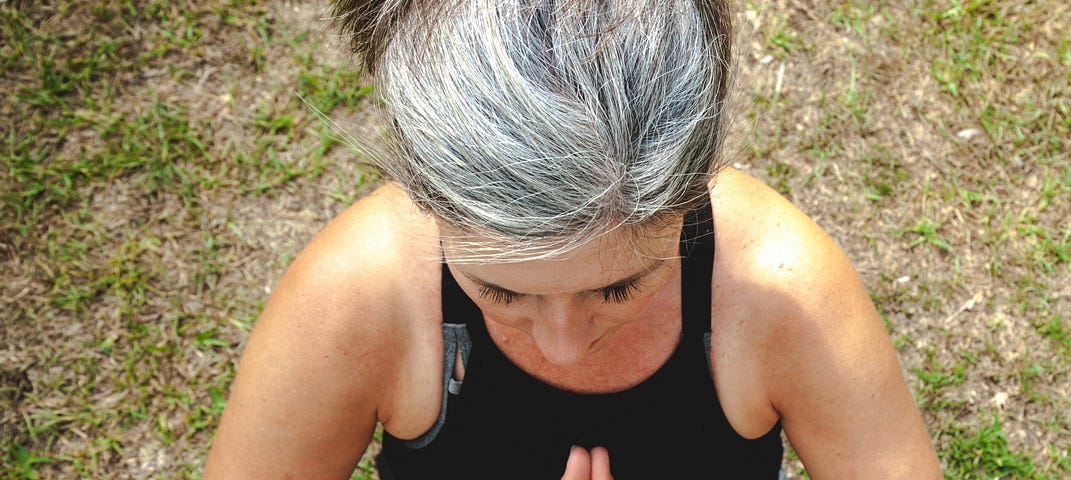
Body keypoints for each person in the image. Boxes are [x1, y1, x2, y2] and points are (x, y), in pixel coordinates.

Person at [202, 0, 941, 478]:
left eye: (619, 286)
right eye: (501, 289)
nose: (561, 344)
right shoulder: (355, 299)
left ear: (695, 190)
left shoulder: (782, 292)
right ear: (427, 199)